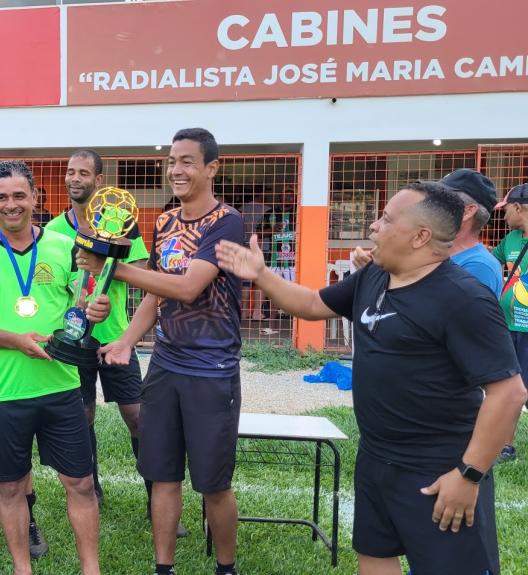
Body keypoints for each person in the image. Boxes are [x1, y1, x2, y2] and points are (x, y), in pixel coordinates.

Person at [217, 180, 528, 575]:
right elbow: (312, 304)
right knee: (375, 554)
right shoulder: (374, 276)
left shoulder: (463, 298)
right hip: (376, 456)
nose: (373, 228)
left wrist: (468, 475)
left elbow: (508, 393)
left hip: (438, 468)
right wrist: (260, 274)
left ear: (420, 236)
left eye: (385, 219)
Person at [79, 129, 243, 575]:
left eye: (188, 161)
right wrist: (127, 340)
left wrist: (114, 270)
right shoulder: (166, 221)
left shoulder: (227, 223)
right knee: (163, 476)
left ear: (212, 168)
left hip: (212, 371)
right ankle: (163, 568)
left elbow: (187, 288)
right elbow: (156, 294)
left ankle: (226, 568)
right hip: (165, 367)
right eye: (173, 161)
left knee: (212, 483)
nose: (177, 170)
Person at [0, 161, 110, 575]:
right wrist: (17, 341)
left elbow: (80, 306)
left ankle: (91, 569)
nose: (11, 204)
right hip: (6, 393)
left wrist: (93, 311)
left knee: (81, 483)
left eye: (20, 195)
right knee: (11, 486)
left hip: (60, 387)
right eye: (1, 197)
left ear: (35, 198)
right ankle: (23, 569)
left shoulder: (64, 247)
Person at [45, 150, 189, 535]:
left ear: (99, 179)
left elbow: (143, 276)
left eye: (83, 172)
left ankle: (154, 497)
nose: (74, 178)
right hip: (75, 339)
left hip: (114, 339)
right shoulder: (54, 230)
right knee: (82, 417)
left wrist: (107, 268)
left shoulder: (124, 223)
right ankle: (91, 493)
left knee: (138, 416)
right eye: (70, 171)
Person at [352, 169, 502, 296]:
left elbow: (426, 314)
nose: (432, 204)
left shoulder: (479, 266)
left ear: (467, 212)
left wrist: (376, 276)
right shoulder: (434, 255)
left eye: (445, 199)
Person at [491, 183, 528, 463]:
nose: (503, 217)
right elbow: (494, 262)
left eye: (506, 211)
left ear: (518, 208)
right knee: (509, 388)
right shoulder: (511, 240)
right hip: (509, 327)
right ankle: (506, 446)